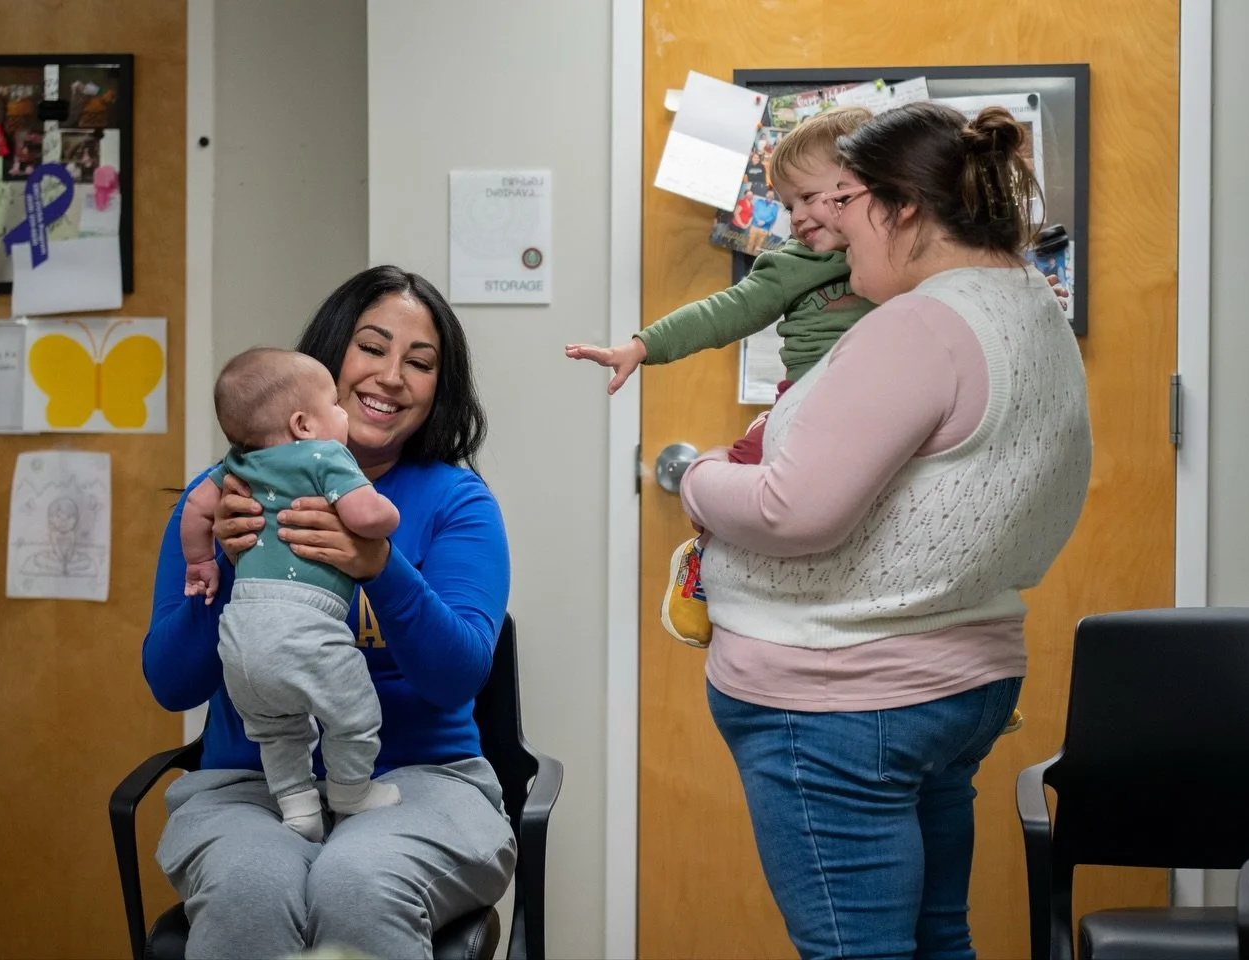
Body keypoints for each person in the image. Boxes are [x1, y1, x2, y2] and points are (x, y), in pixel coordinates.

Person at [679, 101, 1092, 960]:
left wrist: (695, 475)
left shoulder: (918, 326)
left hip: (842, 694)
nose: (825, 223)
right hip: (959, 677)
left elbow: (793, 512)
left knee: (856, 951)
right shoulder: (1027, 302)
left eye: (846, 202)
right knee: (939, 937)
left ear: (901, 207)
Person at [143, 266, 516, 959]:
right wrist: (225, 562)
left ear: (440, 388)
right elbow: (172, 683)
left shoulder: (458, 504)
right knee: (253, 890)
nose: (392, 376)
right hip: (248, 785)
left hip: (421, 784)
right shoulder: (221, 496)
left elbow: (457, 676)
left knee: (355, 881)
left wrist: (380, 565)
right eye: (372, 348)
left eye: (420, 362)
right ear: (327, 359)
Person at [566, 106, 878, 647]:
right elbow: (723, 312)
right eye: (787, 205)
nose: (797, 217)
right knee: (747, 462)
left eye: (810, 197)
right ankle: (701, 559)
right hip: (803, 406)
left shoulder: (903, 255)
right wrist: (643, 345)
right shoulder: (794, 264)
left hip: (877, 414)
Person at [180, 348, 404, 842]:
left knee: (276, 729)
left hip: (240, 635)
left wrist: (200, 562)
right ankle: (349, 791)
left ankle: (298, 806)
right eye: (335, 404)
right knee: (354, 713)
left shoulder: (237, 465)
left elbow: (195, 505)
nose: (344, 412)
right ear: (304, 424)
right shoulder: (325, 456)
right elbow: (366, 516)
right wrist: (389, 519)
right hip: (303, 627)